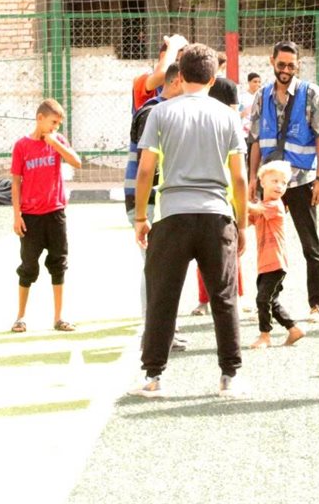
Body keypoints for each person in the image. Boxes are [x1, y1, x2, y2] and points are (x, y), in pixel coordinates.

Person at [131, 43, 250, 399]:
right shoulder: (227, 116)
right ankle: (229, 376)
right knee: (224, 298)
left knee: (162, 298)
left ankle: (154, 377)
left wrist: (141, 216)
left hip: (172, 215)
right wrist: (242, 224)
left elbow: (145, 170)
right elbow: (240, 177)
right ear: (213, 79)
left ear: (180, 76)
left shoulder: (161, 113)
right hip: (216, 216)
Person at [249, 40, 319, 320]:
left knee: (310, 245)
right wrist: (252, 179)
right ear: (272, 62)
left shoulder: (311, 93)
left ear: (298, 66)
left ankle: (317, 304)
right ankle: (266, 301)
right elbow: (255, 141)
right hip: (270, 182)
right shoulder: (261, 96)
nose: (285, 70)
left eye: (291, 66)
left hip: (301, 180)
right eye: (281, 64)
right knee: (266, 244)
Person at [124, 63, 187, 351]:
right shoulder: (152, 112)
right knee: (155, 265)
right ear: (177, 82)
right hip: (148, 201)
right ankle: (153, 332)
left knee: (163, 265)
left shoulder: (165, 111)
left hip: (159, 200)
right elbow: (147, 167)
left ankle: (163, 330)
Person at [10, 99, 82, 334]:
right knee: (28, 267)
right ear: (40, 118)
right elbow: (16, 182)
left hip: (55, 213)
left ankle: (59, 317)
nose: (55, 127)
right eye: (52, 122)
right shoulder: (21, 146)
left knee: (58, 264)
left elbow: (77, 162)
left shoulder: (57, 141)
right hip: (31, 216)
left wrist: (56, 143)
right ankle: (20, 316)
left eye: (58, 124)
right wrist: (17, 215)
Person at [248, 160, 306, 349]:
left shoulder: (275, 205)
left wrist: (237, 195)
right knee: (271, 301)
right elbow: (247, 219)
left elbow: (252, 209)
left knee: (262, 299)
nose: (280, 186)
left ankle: (265, 336)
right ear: (262, 182)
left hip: (276, 262)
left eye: (283, 183)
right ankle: (294, 329)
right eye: (274, 181)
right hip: (265, 263)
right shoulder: (263, 205)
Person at [132, 33, 188, 114]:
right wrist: (173, 46)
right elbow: (163, 74)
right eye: (173, 60)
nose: (175, 66)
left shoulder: (188, 86)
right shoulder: (142, 81)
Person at [239, 72, 261, 136]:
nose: (257, 84)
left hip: (258, 132)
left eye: (259, 82)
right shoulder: (242, 97)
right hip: (244, 132)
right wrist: (242, 114)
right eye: (255, 82)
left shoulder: (261, 97)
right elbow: (237, 114)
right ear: (249, 82)